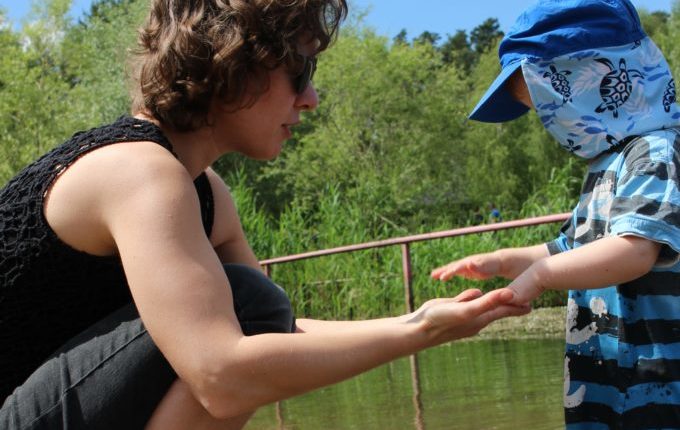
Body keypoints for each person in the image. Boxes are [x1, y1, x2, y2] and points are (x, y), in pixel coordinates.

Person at [0, 0, 530, 428]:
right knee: (249, 300)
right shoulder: (139, 172)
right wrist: (415, 336)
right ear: (232, 64)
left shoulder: (204, 191)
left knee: (255, 305)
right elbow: (222, 375)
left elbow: (278, 336)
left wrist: (416, 322)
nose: (312, 99)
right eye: (300, 71)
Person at [432, 0, 680, 428]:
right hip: (602, 390)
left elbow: (634, 251)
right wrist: (505, 261)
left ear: (590, 82)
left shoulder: (655, 154)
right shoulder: (605, 165)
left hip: (656, 391)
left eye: (550, 107)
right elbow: (569, 249)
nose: (551, 125)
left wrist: (542, 277)